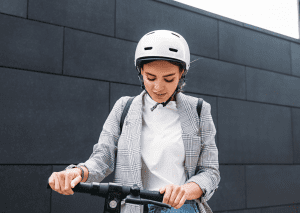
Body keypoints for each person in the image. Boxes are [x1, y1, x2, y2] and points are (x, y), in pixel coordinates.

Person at [48, 30, 220, 213]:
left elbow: (210, 172)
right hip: (134, 209)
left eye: (169, 79)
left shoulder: (199, 110)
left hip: (181, 209)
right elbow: (103, 157)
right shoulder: (124, 108)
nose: (158, 87)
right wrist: (77, 172)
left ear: (182, 73)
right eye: (150, 77)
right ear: (140, 73)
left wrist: (184, 191)